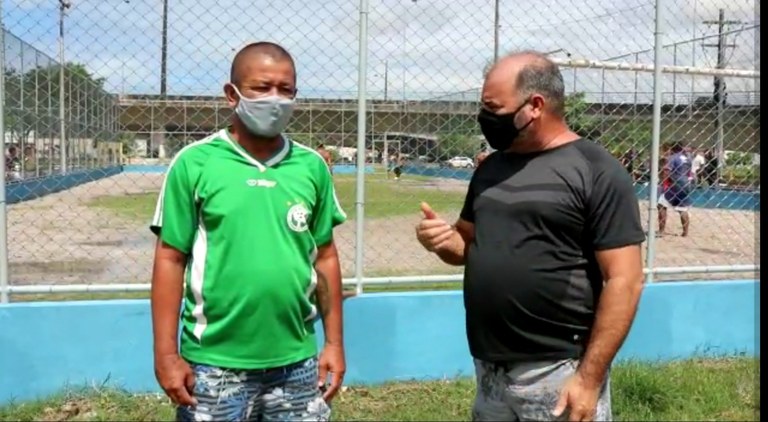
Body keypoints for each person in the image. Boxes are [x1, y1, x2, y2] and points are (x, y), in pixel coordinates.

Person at [415, 51, 645, 422]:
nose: (485, 118)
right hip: (490, 369)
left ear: (534, 105)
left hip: (559, 371)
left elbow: (625, 279)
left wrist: (588, 378)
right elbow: (467, 246)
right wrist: (443, 242)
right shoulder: (490, 169)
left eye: (493, 107)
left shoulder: (596, 170)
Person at [149, 41, 347, 422]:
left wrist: (334, 344)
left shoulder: (312, 167)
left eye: (285, 90)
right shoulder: (195, 163)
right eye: (261, 87)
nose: (275, 99)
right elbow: (170, 258)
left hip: (297, 364)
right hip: (213, 366)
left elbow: (325, 256)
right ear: (232, 94)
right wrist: (166, 355)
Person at [658, 142, 693, 237]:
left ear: (673, 148)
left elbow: (666, 171)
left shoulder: (672, 158)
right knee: (682, 208)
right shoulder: (688, 159)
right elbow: (689, 173)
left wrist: (663, 182)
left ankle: (661, 231)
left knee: (661, 205)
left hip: (675, 183)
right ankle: (685, 232)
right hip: (686, 184)